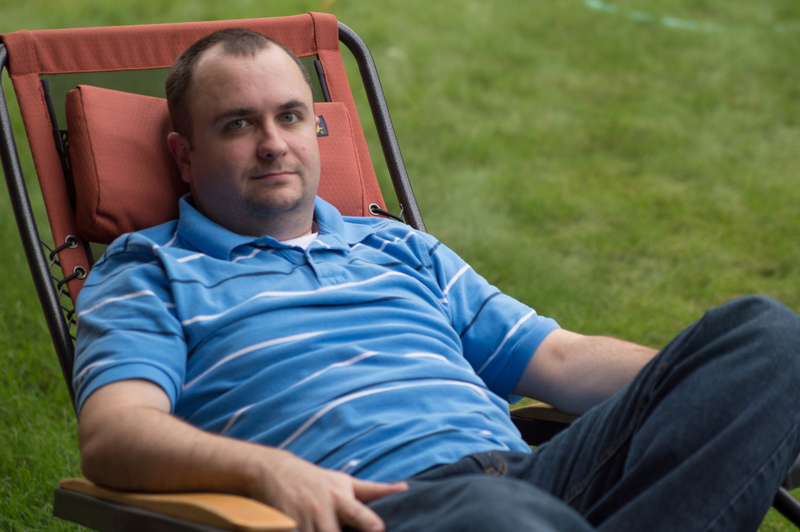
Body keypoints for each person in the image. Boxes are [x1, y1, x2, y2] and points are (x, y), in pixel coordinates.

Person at [73, 28, 800, 532]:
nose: (273, 145)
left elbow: (560, 358)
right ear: (185, 154)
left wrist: (700, 386)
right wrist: (265, 473)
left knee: (763, 336)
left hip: (532, 482)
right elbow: (114, 435)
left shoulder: (395, 245)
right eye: (237, 125)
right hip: (380, 508)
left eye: (291, 117)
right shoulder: (149, 271)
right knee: (502, 519)